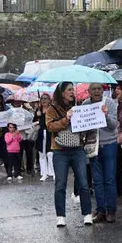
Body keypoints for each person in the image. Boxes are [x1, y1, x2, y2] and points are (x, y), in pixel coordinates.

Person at [45, 82, 94, 226]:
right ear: (62, 93)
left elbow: (86, 124)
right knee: (60, 184)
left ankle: (87, 213)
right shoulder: (52, 109)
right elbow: (50, 126)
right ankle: (60, 215)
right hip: (60, 150)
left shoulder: (78, 107)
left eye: (73, 89)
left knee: (83, 182)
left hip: (77, 149)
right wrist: (66, 119)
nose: (72, 92)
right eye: (69, 90)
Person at [85, 83, 120, 223]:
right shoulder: (85, 104)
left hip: (109, 144)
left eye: (99, 89)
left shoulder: (109, 102)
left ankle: (111, 210)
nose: (97, 91)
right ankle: (100, 210)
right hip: (93, 145)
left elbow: (114, 125)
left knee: (110, 179)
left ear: (102, 90)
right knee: (97, 180)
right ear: (89, 91)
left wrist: (106, 116)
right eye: (94, 89)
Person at [36, 93, 54, 181]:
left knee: (50, 154)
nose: (44, 100)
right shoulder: (38, 110)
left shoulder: (52, 109)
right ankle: (44, 173)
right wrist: (37, 116)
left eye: (46, 98)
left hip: (50, 133)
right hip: (41, 134)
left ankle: (53, 172)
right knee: (42, 154)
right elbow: (35, 122)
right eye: (42, 98)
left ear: (49, 100)